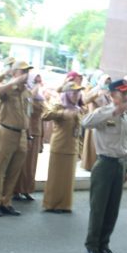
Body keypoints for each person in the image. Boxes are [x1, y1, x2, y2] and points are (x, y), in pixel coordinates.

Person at [82, 78, 127, 253]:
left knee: (112, 210)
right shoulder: (104, 112)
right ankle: (92, 247)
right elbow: (86, 122)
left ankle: (104, 245)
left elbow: (124, 145)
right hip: (104, 164)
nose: (126, 95)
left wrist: (126, 167)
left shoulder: (126, 117)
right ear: (112, 95)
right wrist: (113, 111)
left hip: (119, 165)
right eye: (122, 92)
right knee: (98, 209)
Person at [0, 60, 34, 217]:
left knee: (14, 171)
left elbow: (28, 114)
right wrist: (12, 82)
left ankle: (6, 202)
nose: (26, 75)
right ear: (14, 73)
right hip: (6, 131)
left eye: (27, 71)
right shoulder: (8, 88)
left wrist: (28, 135)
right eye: (23, 71)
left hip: (21, 134)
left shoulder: (27, 92)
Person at [41, 82, 84, 213]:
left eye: (78, 93)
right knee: (56, 178)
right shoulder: (59, 106)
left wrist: (80, 150)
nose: (76, 96)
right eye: (73, 93)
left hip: (72, 147)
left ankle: (64, 205)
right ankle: (52, 204)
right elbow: (45, 116)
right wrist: (62, 113)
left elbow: (79, 131)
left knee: (67, 179)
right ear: (67, 94)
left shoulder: (79, 109)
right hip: (59, 147)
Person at [14, 74, 46, 202]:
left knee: (32, 164)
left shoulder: (40, 96)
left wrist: (42, 138)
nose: (38, 82)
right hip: (27, 130)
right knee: (22, 162)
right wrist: (35, 88)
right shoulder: (27, 94)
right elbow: (27, 108)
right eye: (35, 80)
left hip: (37, 131)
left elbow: (42, 117)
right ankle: (16, 190)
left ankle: (27, 189)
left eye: (39, 80)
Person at [80, 73, 111, 171]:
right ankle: (90, 164)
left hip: (103, 122)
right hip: (93, 121)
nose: (107, 84)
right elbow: (85, 100)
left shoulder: (108, 93)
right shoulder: (95, 90)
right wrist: (97, 94)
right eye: (106, 82)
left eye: (109, 82)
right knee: (92, 145)